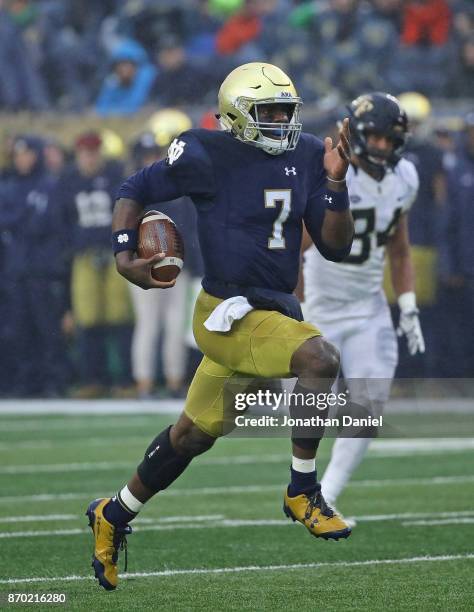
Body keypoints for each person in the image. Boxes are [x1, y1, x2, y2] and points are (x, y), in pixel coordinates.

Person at [86, 62, 354, 591]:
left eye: (286, 111)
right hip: (225, 312)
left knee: (190, 437)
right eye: (268, 112)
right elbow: (135, 186)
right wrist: (123, 254)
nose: (281, 121)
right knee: (320, 359)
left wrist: (336, 180)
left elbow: (336, 246)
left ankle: (112, 513)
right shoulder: (207, 152)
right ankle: (302, 490)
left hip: (271, 314)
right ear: (236, 115)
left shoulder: (307, 155)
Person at [302, 92, 425, 520]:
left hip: (368, 307)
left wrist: (406, 304)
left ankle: (326, 498)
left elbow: (400, 248)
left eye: (390, 141)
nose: (383, 148)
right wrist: (290, 306)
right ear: (354, 135)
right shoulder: (332, 173)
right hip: (319, 307)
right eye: (374, 137)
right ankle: (305, 488)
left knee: (367, 410)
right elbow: (295, 246)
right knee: (305, 409)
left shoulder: (405, 177)